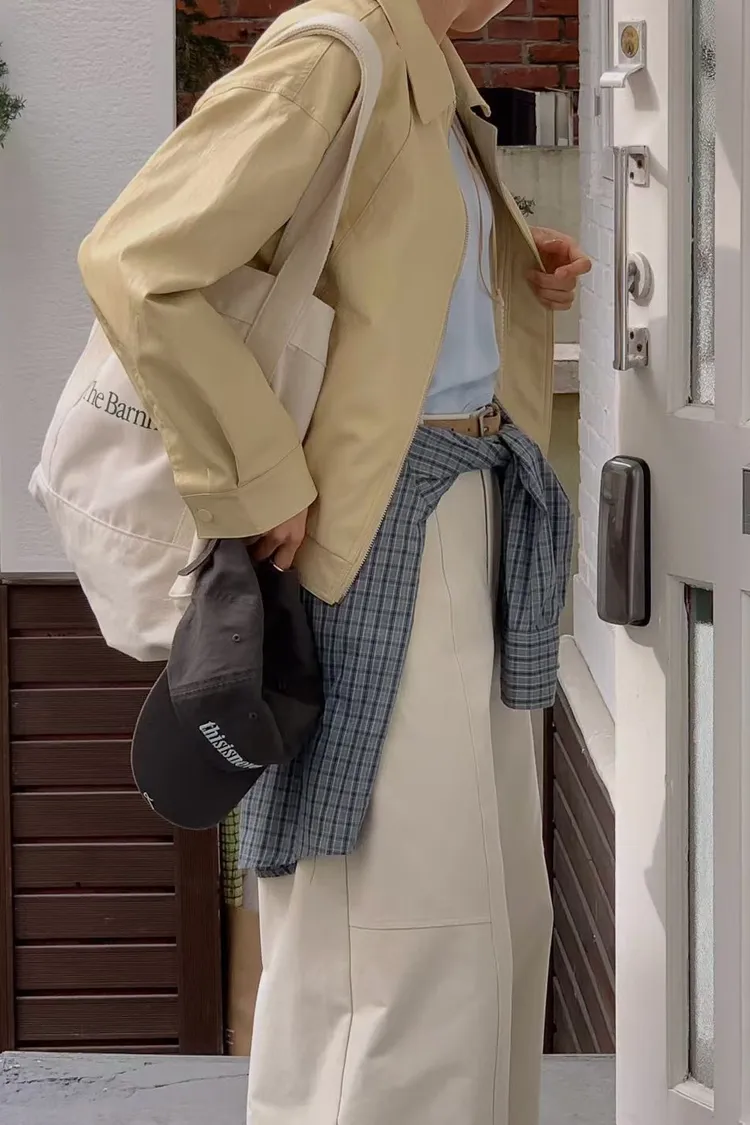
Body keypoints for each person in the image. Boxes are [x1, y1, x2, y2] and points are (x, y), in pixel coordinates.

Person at [78, 0, 591, 1120]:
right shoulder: (334, 55)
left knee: (488, 929)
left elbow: (373, 285)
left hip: (463, 515)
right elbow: (137, 262)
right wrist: (259, 475)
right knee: (405, 944)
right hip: (376, 537)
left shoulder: (430, 72)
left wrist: (509, 274)